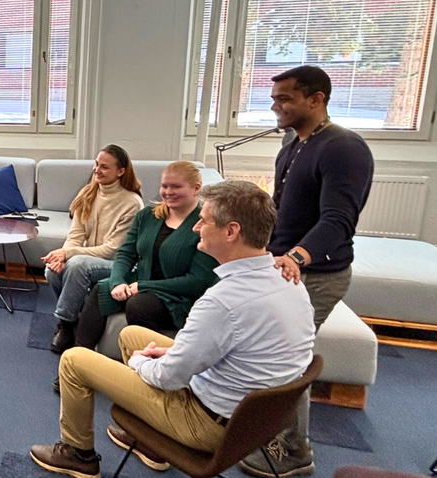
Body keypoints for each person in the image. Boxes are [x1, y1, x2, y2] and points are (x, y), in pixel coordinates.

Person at [29, 180, 316, 478]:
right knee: (129, 335)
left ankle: (78, 454)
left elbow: (169, 377)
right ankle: (150, 440)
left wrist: (142, 362)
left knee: (75, 360)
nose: (195, 228)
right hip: (251, 419)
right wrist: (173, 352)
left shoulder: (222, 301)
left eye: (203, 221)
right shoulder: (288, 280)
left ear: (231, 232)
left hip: (208, 425)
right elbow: (243, 349)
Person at [239, 66, 374, 477]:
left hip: (318, 273)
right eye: (274, 97)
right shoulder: (293, 143)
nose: (275, 105)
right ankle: (267, 430)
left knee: (286, 356)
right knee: (268, 349)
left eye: (285, 98)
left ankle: (294, 450)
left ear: (316, 99)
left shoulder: (343, 148)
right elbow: (283, 210)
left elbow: (338, 220)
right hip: (284, 267)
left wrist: (296, 257)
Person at [71, 161, 218, 354]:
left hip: (179, 297)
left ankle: (143, 367)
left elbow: (198, 281)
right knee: (102, 289)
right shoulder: (147, 215)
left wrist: (144, 287)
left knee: (139, 304)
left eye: (176, 187)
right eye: (164, 186)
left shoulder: (204, 225)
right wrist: (117, 282)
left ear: (196, 188)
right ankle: (80, 358)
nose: (168, 192)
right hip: (140, 283)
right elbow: (125, 254)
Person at [43, 145, 145, 353]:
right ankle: (73, 322)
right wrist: (62, 256)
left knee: (78, 265)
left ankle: (64, 323)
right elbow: (76, 236)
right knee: (53, 270)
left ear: (121, 171)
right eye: (96, 164)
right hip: (91, 258)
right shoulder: (88, 193)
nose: (97, 170)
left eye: (104, 167)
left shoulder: (132, 202)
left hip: (119, 265)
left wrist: (69, 254)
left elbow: (112, 249)